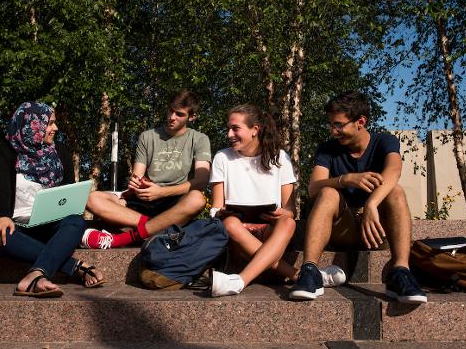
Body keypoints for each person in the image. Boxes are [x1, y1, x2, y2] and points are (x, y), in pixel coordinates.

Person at [289, 91, 427, 303]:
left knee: (396, 190)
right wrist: (345, 179)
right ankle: (310, 271)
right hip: (340, 228)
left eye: (338, 125)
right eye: (331, 124)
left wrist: (372, 203)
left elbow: (394, 171)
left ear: (360, 122)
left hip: (375, 230)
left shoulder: (384, 141)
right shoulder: (327, 149)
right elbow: (314, 188)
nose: (333, 131)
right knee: (327, 192)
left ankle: (400, 272)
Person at [209, 104, 346, 297]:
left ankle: (239, 281)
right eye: (228, 128)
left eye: (235, 128)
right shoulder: (222, 157)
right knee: (230, 223)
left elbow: (290, 210)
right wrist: (221, 212)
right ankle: (299, 275)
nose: (229, 134)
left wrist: (283, 213)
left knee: (288, 222)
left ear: (255, 129)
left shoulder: (280, 157)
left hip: (270, 231)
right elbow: (215, 207)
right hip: (237, 234)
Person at [0, 102, 104, 297]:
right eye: (50, 123)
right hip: (18, 228)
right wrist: (1, 216)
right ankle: (73, 267)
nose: (55, 128)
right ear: (33, 124)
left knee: (76, 221)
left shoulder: (60, 151)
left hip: (52, 227)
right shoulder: (6, 151)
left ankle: (36, 274)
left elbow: (69, 194)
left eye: (54, 123)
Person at [83, 89, 211, 249]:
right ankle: (158, 229)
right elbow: (137, 175)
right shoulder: (147, 136)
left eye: (179, 114)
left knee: (197, 199)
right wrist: (136, 185)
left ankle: (125, 238)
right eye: (170, 111)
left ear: (192, 117)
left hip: (175, 201)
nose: (172, 117)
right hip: (144, 200)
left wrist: (162, 192)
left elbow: (201, 181)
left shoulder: (200, 139)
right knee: (92, 198)